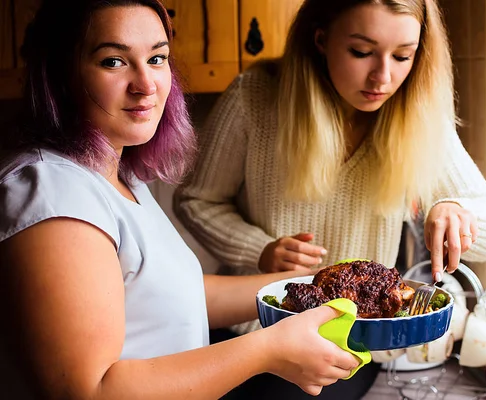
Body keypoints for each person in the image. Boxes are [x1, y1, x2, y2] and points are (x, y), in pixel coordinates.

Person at [0, 1, 363, 399]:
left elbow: (176, 294)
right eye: (113, 61)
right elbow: (92, 391)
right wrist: (268, 350)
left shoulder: (117, 175)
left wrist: (314, 283)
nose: (146, 83)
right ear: (60, 74)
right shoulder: (53, 192)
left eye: (157, 58)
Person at [173, 0, 486, 398]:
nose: (383, 77)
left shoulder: (418, 117)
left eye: (403, 55)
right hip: (254, 329)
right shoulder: (256, 98)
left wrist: (456, 208)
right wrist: (258, 249)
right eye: (361, 52)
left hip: (350, 346)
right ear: (321, 39)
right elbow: (196, 199)